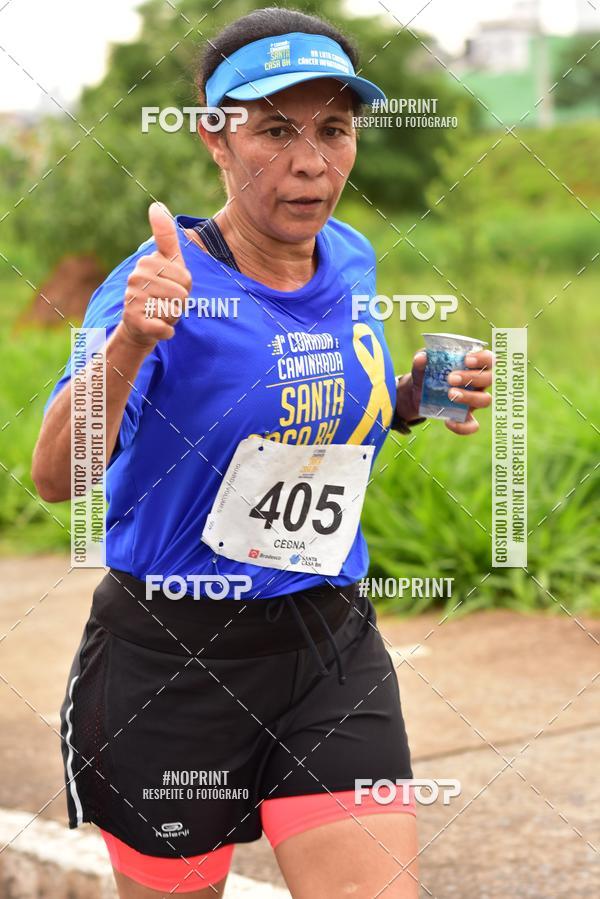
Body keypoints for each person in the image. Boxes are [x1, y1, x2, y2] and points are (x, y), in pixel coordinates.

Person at [32, 8, 493, 898]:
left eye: (333, 128)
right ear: (214, 136)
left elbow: (304, 406)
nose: (310, 162)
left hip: (328, 643)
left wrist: (407, 399)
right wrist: (129, 343)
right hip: (171, 660)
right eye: (274, 130)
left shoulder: (350, 256)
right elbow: (58, 479)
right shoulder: (161, 283)